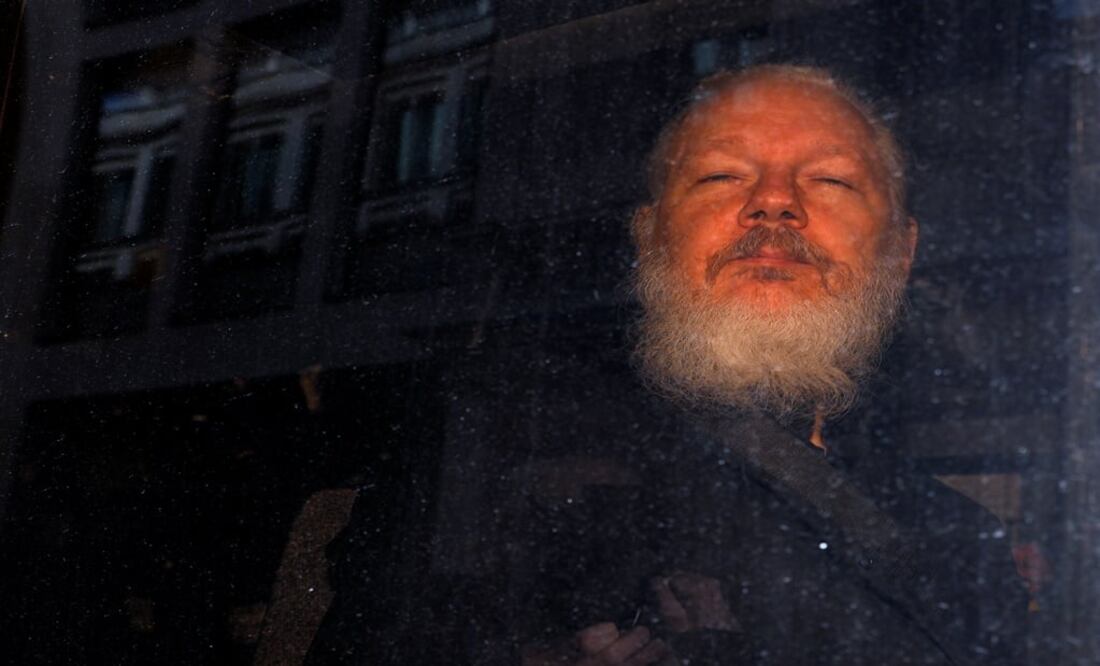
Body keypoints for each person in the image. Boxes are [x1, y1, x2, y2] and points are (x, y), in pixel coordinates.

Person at [518, 65, 1029, 665]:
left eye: (833, 181)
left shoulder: (961, 540)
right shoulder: (527, 477)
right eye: (721, 175)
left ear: (901, 252)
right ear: (650, 234)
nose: (774, 202)